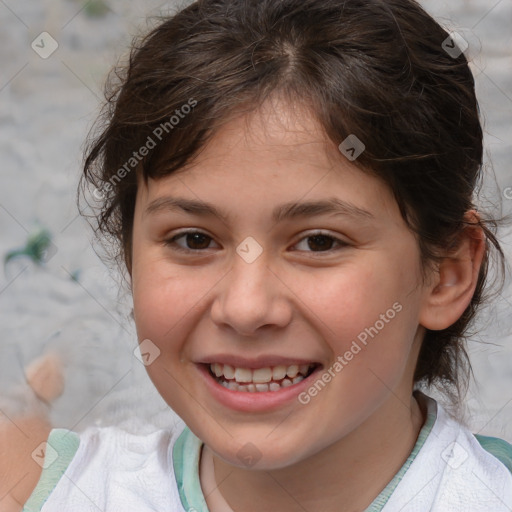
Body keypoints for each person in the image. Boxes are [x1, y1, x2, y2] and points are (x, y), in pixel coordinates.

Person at [21, 0, 512, 510]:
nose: (245, 308)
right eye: (193, 239)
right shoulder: (50, 491)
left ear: (447, 275)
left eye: (319, 241)